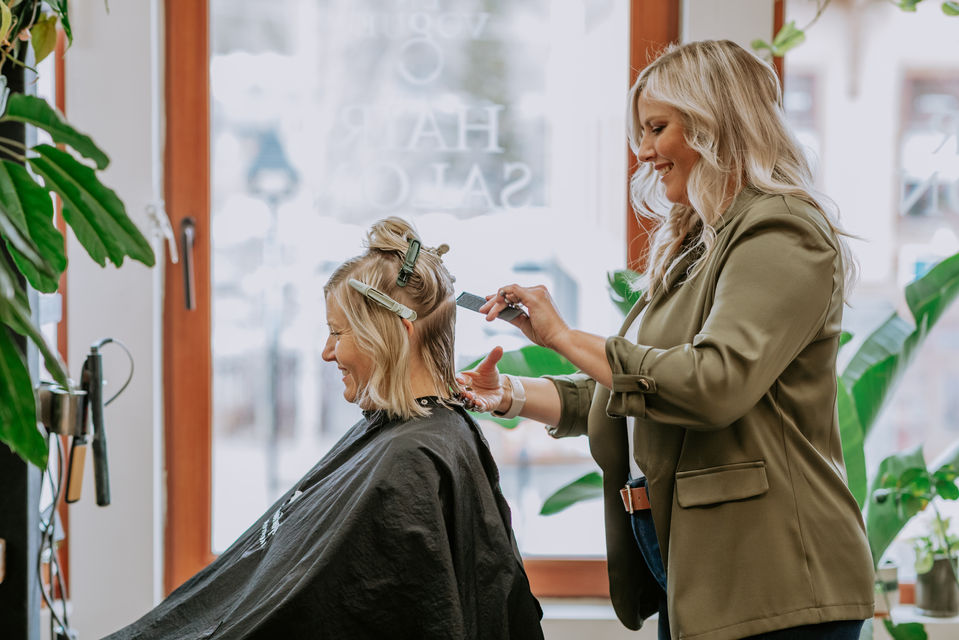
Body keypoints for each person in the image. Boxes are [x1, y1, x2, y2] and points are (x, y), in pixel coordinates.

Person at [458, 40, 874, 640]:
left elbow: (710, 384)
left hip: (776, 577)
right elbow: (636, 392)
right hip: (700, 566)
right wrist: (508, 395)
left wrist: (564, 336)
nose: (644, 151)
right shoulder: (700, 245)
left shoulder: (780, 230)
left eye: (657, 128)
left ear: (715, 122)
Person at [106, 217, 544, 639]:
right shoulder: (424, 437)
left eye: (338, 333)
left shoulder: (409, 460)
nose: (326, 352)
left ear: (395, 332)